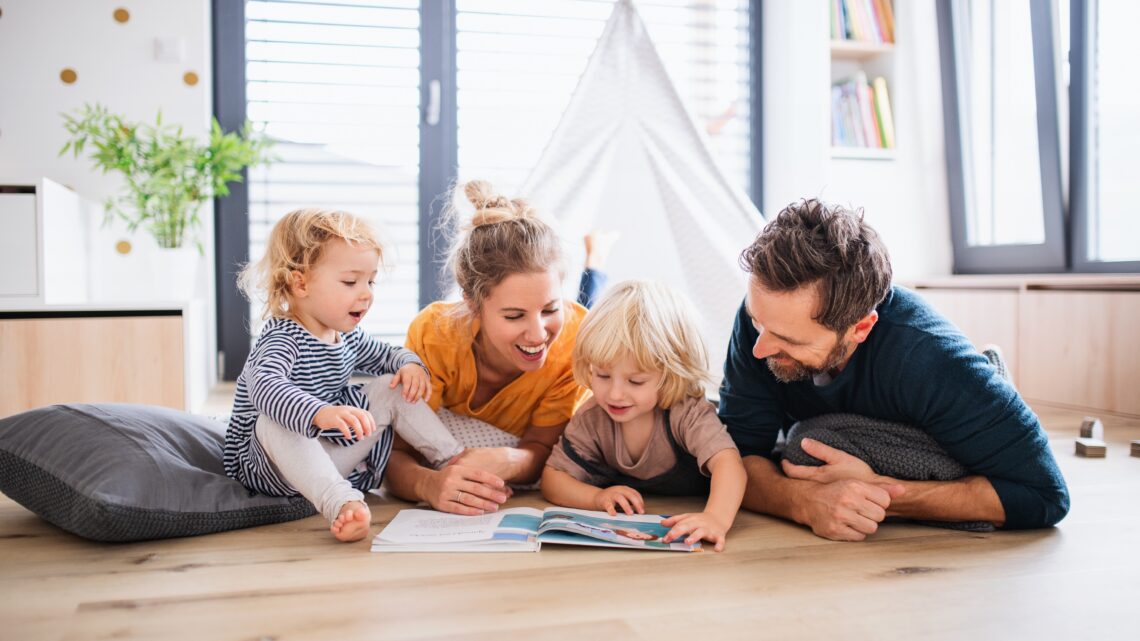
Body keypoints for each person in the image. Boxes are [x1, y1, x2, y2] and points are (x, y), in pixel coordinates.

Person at [718, 198, 1070, 541]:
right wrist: (802, 503)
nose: (759, 348)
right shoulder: (765, 320)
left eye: (788, 339)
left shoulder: (930, 359)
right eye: (756, 321)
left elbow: (1045, 495)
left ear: (861, 328)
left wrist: (881, 495)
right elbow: (735, 458)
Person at [224, 208, 463, 542]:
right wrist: (319, 413)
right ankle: (341, 501)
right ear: (300, 282)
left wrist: (410, 364)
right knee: (272, 420)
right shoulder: (282, 338)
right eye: (351, 282)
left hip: (326, 455)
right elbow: (264, 387)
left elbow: (387, 354)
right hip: (270, 466)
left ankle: (453, 458)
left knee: (388, 385)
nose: (366, 293)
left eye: (370, 281)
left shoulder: (345, 336)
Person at [385, 180, 593, 515]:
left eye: (551, 309)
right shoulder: (436, 335)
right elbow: (394, 452)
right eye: (514, 316)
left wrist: (511, 459)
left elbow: (544, 448)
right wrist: (428, 485)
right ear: (472, 303)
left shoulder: (574, 340)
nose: (539, 334)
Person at [542, 280, 747, 552]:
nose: (615, 394)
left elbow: (730, 465)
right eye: (602, 375)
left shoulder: (686, 411)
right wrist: (597, 497)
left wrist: (715, 518)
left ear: (670, 375)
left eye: (635, 381)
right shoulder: (593, 416)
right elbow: (553, 478)